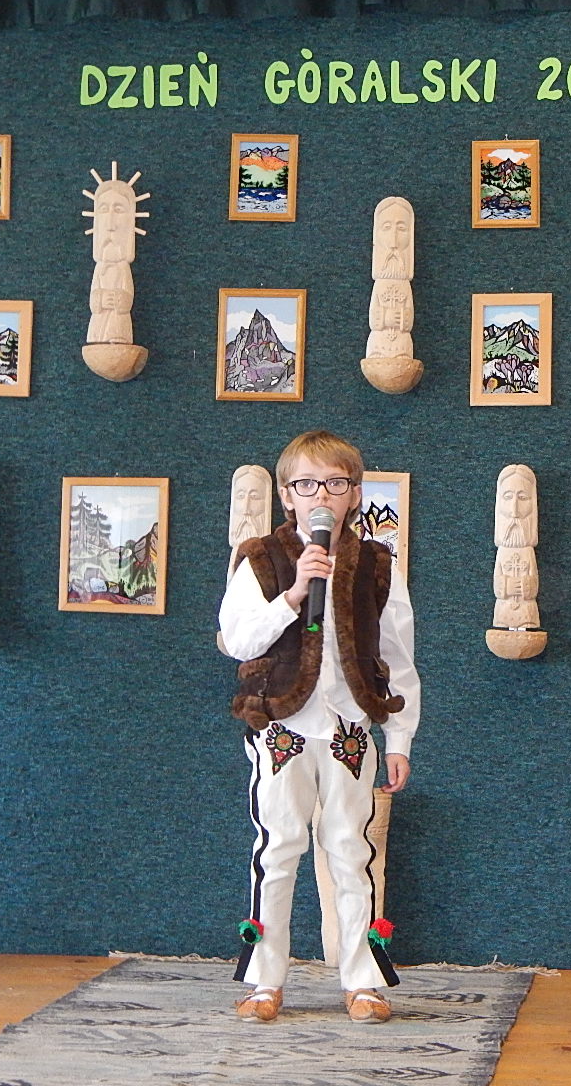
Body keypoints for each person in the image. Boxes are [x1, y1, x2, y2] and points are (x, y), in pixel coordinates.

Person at [218, 430, 420, 1024]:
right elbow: (238, 640)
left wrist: (400, 738)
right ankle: (264, 980)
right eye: (307, 484)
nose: (321, 495)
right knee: (278, 848)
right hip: (281, 726)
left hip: (349, 727)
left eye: (335, 483)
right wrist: (294, 594)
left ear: (354, 494)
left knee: (351, 851)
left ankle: (363, 980)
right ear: (287, 495)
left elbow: (399, 657)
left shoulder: (377, 565)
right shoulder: (261, 558)